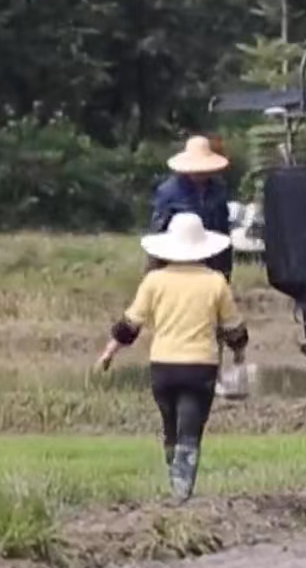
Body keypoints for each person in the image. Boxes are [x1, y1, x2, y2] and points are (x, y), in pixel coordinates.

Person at [96, 213, 248, 501]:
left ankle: (174, 483)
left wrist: (108, 352)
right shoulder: (215, 282)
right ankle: (182, 492)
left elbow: (130, 324)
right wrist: (239, 355)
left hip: (163, 367)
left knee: (170, 427)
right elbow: (234, 329)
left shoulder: (155, 281)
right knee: (190, 430)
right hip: (200, 367)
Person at [151, 136, 235, 278]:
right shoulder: (169, 192)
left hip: (212, 259)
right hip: (179, 260)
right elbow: (158, 230)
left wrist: (225, 269)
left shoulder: (218, 190)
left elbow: (223, 229)